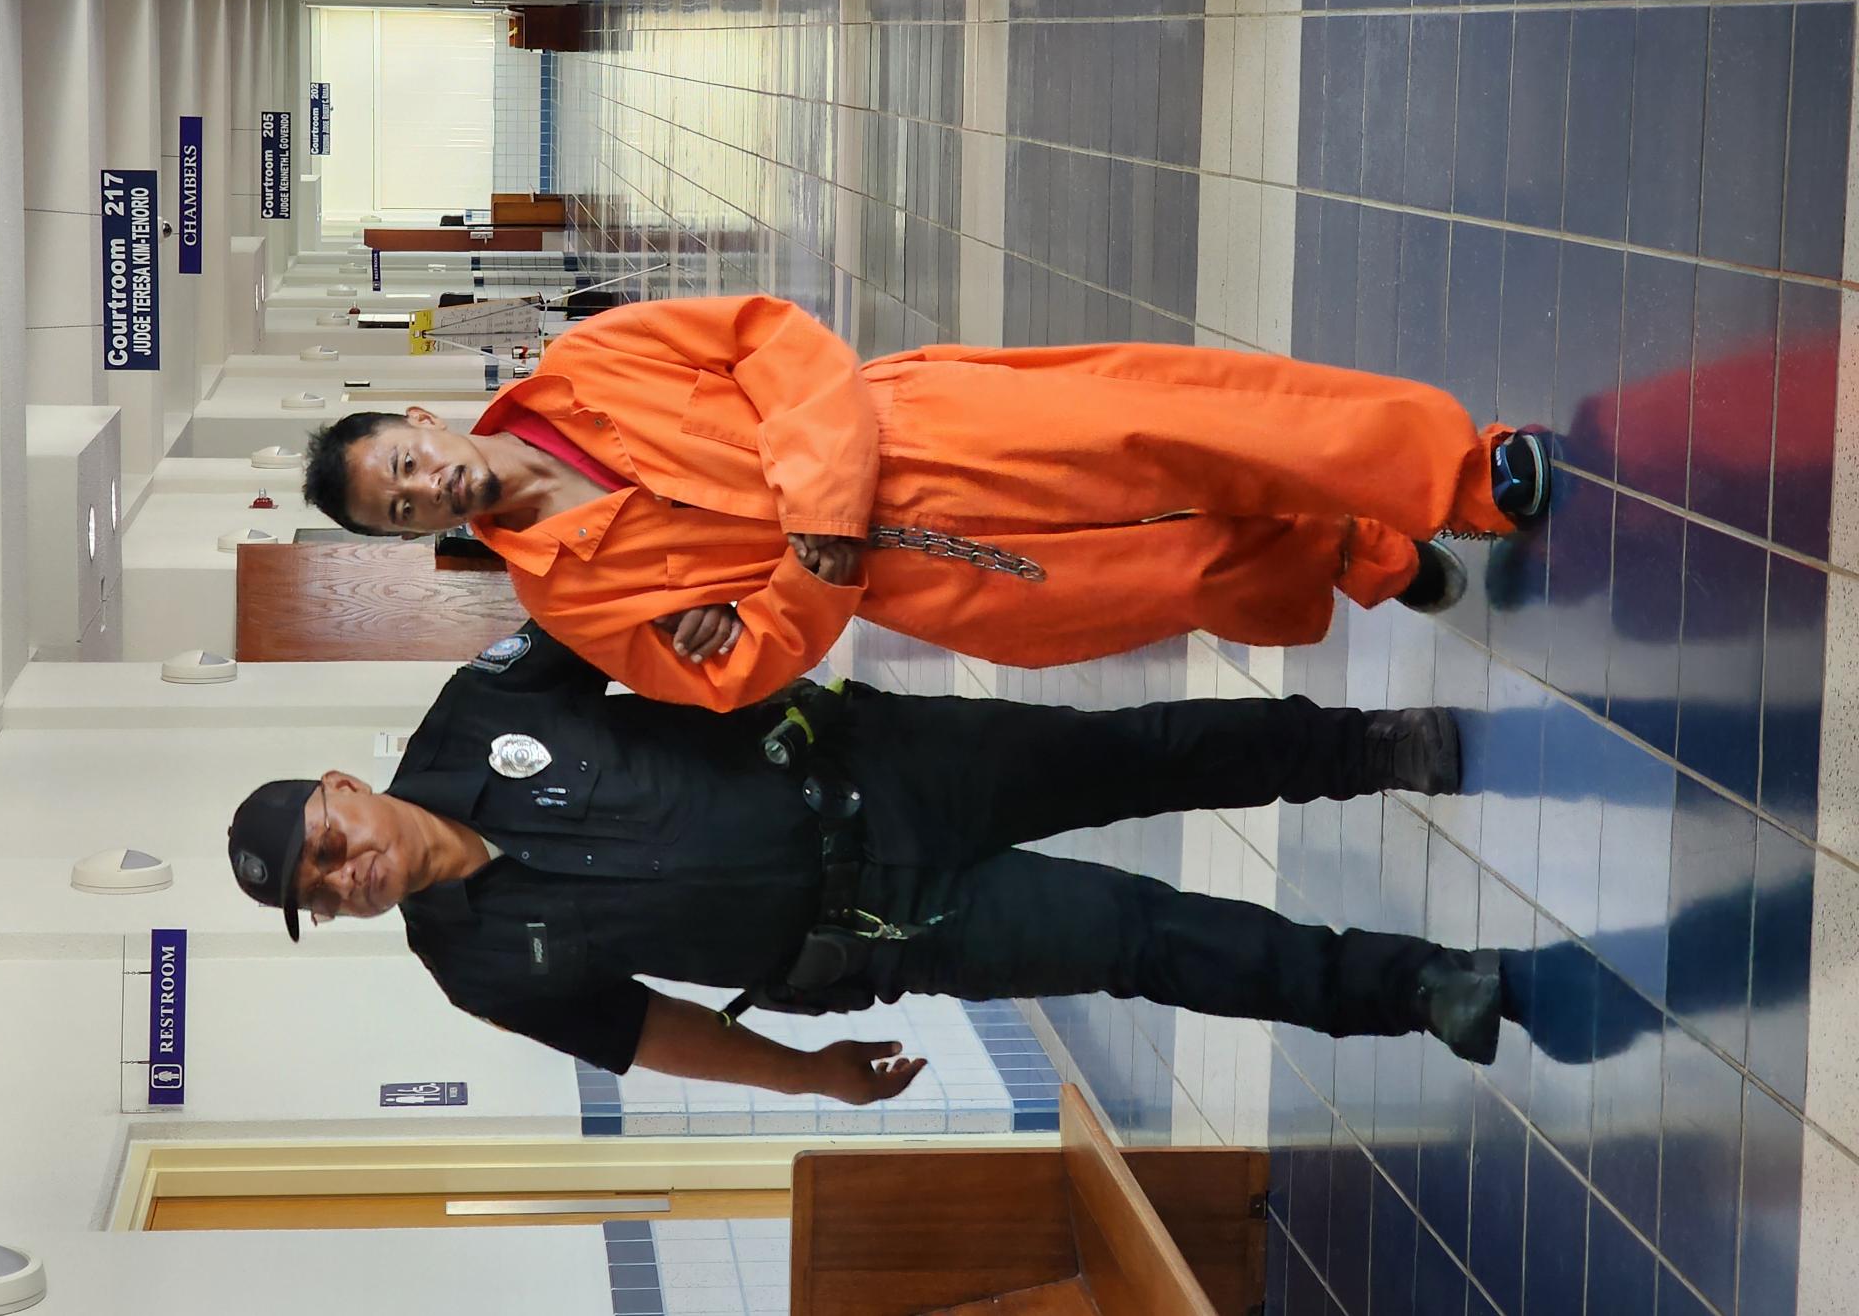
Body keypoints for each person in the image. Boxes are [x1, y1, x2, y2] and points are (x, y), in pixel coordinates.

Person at [228, 622, 1511, 1103]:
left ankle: (1365, 748)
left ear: (347, 787)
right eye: (322, 892)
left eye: (330, 847)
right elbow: (648, 1034)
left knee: (1139, 754)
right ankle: (1415, 988)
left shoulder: (474, 712)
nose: (346, 876)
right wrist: (806, 1080)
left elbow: (606, 594)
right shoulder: (471, 966)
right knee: (1142, 944)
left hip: (888, 762)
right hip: (883, 926)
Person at [301, 293, 1548, 711]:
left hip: (927, 434)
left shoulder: (588, 368)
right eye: (404, 512)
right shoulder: (567, 594)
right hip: (923, 572)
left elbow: (772, 341)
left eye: (405, 466)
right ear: (420, 539)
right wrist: (815, 574)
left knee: (1189, 426)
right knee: (1179, 575)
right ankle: (1355, 551)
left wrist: (807, 528)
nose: (428, 489)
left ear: (421, 424)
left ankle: (1454, 479)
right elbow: (730, 671)